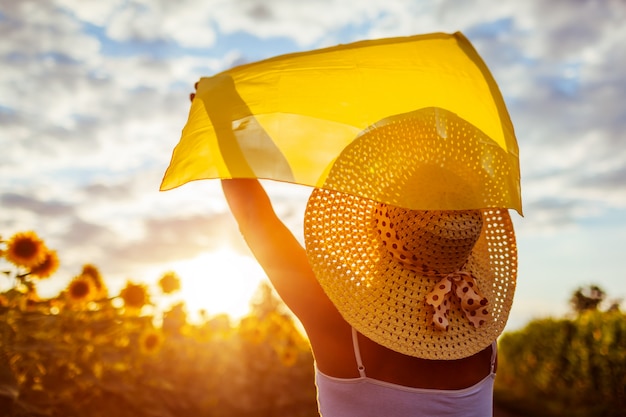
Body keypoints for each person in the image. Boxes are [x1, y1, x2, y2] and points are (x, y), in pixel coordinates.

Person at [188, 53, 518, 415]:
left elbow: (255, 219)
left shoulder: (341, 328)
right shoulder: (482, 336)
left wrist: (218, 117)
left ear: (381, 229)